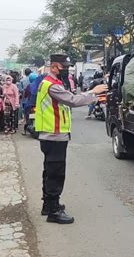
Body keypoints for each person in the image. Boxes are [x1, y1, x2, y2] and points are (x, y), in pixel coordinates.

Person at [35, 54, 107, 224]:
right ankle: (53, 212)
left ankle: (49, 205)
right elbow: (73, 101)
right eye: (63, 66)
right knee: (56, 174)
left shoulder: (52, 83)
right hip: (54, 135)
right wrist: (94, 93)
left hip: (51, 134)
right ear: (54, 67)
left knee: (49, 171)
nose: (66, 69)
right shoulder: (52, 85)